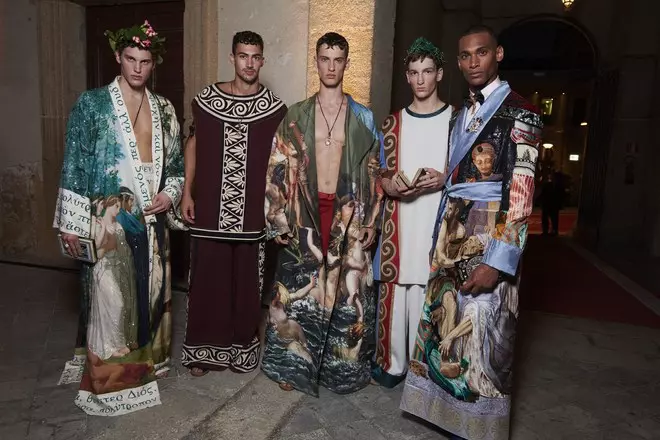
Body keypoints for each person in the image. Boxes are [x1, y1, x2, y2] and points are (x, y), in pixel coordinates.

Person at [399, 25, 543, 440]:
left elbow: (521, 194)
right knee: (447, 321)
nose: (472, 62)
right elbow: (462, 171)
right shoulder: (463, 112)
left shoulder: (523, 112)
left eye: (481, 53)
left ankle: (477, 425)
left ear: (497, 54)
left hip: (490, 230)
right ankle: (443, 410)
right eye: (464, 56)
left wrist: (497, 263)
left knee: (482, 327)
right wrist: (442, 181)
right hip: (452, 229)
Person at [54, 20, 184, 416]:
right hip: (108, 218)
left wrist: (169, 194)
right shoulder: (92, 104)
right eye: (130, 59)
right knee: (111, 300)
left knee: (152, 291)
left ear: (153, 63)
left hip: (153, 216)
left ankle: (150, 362)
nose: (138, 68)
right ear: (118, 57)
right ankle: (113, 375)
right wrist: (70, 223)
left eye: (145, 61)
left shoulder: (164, 109)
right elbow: (74, 164)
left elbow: (176, 167)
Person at [261, 32, 384, 396]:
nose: (331, 66)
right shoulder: (297, 114)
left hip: (349, 215)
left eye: (338, 59)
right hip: (306, 213)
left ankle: (340, 367)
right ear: (316, 62)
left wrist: (373, 220)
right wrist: (276, 218)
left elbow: (375, 170)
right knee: (299, 292)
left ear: (347, 63)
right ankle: (293, 366)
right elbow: (277, 167)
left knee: (347, 294)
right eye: (324, 59)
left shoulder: (362, 116)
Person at [180, 31, 286, 376]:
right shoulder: (206, 99)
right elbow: (193, 144)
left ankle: (242, 348)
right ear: (232, 58)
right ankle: (201, 352)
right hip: (209, 209)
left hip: (251, 216)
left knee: (247, 285)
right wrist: (186, 191)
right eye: (243, 56)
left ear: (262, 61)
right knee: (207, 281)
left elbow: (281, 162)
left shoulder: (274, 109)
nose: (249, 63)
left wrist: (277, 212)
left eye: (255, 57)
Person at [371, 37, 450, 388]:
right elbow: (379, 170)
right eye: (414, 73)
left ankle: (426, 369)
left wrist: (446, 177)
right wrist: (388, 184)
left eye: (427, 72)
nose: (421, 80)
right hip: (399, 224)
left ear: (440, 74)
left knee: (428, 290)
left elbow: (470, 173)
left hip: (436, 222)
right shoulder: (392, 124)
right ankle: (391, 364)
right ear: (406, 77)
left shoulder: (456, 122)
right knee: (397, 290)